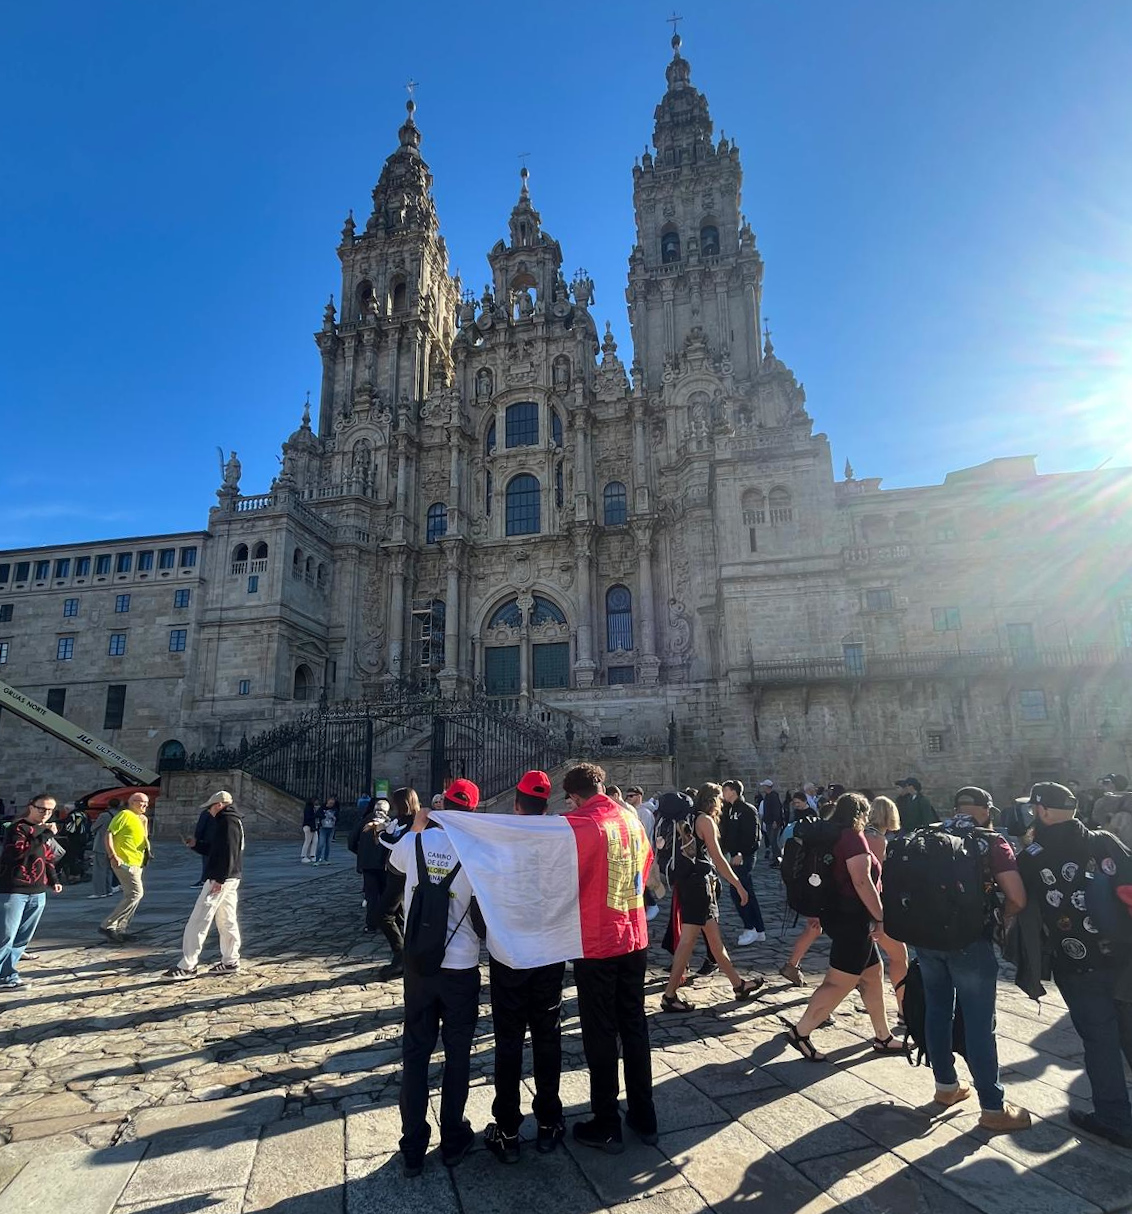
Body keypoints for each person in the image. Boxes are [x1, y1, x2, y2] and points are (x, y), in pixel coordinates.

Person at [1017, 781, 1132, 1148]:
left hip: (1076, 961)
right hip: (1124, 956)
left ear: (1043, 811)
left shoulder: (1031, 855)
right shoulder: (1104, 841)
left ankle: (1115, 1117)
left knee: (1099, 1039)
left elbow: (1022, 906)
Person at [914, 787, 1031, 1131]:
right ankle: (993, 1107)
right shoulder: (990, 841)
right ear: (985, 809)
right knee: (980, 1022)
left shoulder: (927, 836)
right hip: (969, 941)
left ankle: (946, 1087)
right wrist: (1001, 919)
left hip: (927, 940)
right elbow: (1018, 897)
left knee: (938, 1012)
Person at [561, 763, 658, 1154]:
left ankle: (606, 1121)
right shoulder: (632, 820)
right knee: (634, 1026)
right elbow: (646, 867)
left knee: (600, 1032)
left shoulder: (578, 823)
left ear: (574, 796)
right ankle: (644, 1115)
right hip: (634, 935)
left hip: (599, 941)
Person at [388, 777, 482, 1177]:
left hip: (419, 968)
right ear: (472, 812)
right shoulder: (478, 851)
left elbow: (393, 866)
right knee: (458, 1054)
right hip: (460, 967)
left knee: (415, 1052)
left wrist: (418, 825)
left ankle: (412, 1142)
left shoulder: (414, 842)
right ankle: (453, 1138)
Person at [483, 770, 567, 1165]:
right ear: (545, 805)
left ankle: (508, 1129)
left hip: (510, 957)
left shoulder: (501, 845)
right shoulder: (561, 843)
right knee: (548, 1037)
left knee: (509, 1041)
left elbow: (482, 899)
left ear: (516, 804)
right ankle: (549, 1123)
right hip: (549, 954)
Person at [783, 792, 905, 1061]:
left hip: (839, 914)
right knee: (839, 982)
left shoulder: (834, 834)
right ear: (861, 814)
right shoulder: (852, 837)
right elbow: (862, 882)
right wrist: (881, 917)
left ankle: (883, 1036)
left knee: (873, 974)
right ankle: (801, 1032)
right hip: (852, 918)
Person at [660, 783, 764, 1012]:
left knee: (715, 943)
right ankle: (669, 995)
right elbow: (718, 858)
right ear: (713, 800)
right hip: (700, 888)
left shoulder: (687, 818)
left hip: (690, 885)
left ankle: (739, 985)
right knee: (688, 941)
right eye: (719, 800)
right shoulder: (704, 821)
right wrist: (738, 885)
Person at [163, 791, 245, 981]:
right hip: (231, 876)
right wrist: (196, 845)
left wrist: (219, 878)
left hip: (221, 877)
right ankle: (231, 960)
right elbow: (220, 849)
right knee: (227, 918)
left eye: (210, 808)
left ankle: (188, 964)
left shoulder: (227, 821)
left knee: (199, 918)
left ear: (218, 805)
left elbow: (228, 852)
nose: (209, 812)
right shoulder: (234, 820)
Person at [0, 795, 63, 989]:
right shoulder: (18, 828)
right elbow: (19, 853)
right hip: (14, 889)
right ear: (31, 807)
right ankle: (4, 975)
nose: (46, 814)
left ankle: (7, 973)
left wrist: (54, 880)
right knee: (6, 935)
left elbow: (47, 857)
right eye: (42, 809)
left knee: (23, 937)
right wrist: (46, 835)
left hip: (37, 890)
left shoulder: (44, 831)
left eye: (50, 810)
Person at [864, 796, 909, 1016]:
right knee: (899, 956)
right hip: (873, 907)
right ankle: (904, 1008)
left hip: (860, 908)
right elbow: (877, 876)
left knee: (860, 967)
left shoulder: (865, 833)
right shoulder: (877, 839)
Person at [779, 790, 823, 986]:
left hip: (812, 892)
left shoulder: (810, 828)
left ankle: (792, 965)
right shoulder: (827, 836)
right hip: (827, 895)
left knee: (814, 929)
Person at [373, 788, 418, 978]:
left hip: (403, 874)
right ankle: (404, 954)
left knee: (383, 914)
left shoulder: (415, 822)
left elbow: (396, 841)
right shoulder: (400, 820)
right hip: (393, 873)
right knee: (398, 915)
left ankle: (401, 956)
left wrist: (381, 832)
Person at [100, 792, 151, 944]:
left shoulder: (141, 818)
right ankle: (108, 925)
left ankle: (120, 929)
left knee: (132, 895)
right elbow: (109, 834)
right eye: (142, 802)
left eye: (147, 803)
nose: (145, 806)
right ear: (133, 802)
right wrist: (112, 855)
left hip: (137, 862)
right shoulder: (124, 815)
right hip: (124, 861)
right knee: (136, 893)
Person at [720, 779, 766, 946]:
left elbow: (753, 836)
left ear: (732, 791)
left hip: (743, 857)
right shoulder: (729, 809)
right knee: (748, 891)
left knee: (738, 890)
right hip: (733, 855)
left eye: (725, 790)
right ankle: (759, 929)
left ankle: (749, 927)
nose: (723, 793)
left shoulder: (747, 810)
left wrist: (741, 853)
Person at [348, 797, 390, 934]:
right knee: (384, 894)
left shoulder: (363, 821)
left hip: (368, 864)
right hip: (384, 864)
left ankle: (371, 925)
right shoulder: (389, 822)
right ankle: (385, 922)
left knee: (372, 896)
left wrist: (361, 854)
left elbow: (351, 842)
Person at [87, 806, 115, 899]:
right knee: (109, 869)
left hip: (101, 845)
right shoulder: (120, 814)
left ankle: (100, 892)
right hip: (114, 845)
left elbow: (93, 828)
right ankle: (108, 890)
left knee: (99, 869)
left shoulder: (104, 815)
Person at [759, 779, 785, 865]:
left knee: (774, 841)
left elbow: (776, 810)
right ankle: (776, 858)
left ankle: (777, 859)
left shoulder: (773, 796)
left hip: (773, 822)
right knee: (772, 841)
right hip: (769, 822)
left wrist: (775, 821)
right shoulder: (768, 796)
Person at [190, 803, 212, 887]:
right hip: (218, 842)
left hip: (207, 841)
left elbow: (200, 827)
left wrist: (197, 839)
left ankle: (205, 880)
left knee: (207, 861)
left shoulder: (206, 813)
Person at [314, 798, 337, 864]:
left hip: (331, 827)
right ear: (327, 802)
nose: (331, 805)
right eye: (330, 803)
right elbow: (317, 815)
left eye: (332, 803)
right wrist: (323, 816)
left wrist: (335, 818)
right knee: (321, 844)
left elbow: (337, 816)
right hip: (323, 827)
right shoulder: (322, 808)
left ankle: (326, 859)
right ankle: (317, 859)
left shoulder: (334, 809)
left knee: (328, 844)